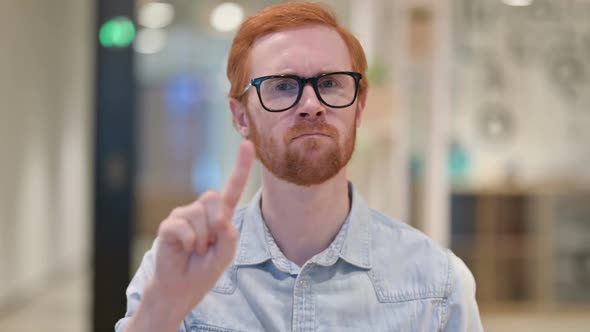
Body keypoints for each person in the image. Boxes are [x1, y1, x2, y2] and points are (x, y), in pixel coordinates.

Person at [116, 2, 483, 331]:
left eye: (331, 83)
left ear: (359, 106)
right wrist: (164, 306)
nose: (311, 104)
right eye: (282, 86)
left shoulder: (438, 284)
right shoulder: (177, 271)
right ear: (240, 116)